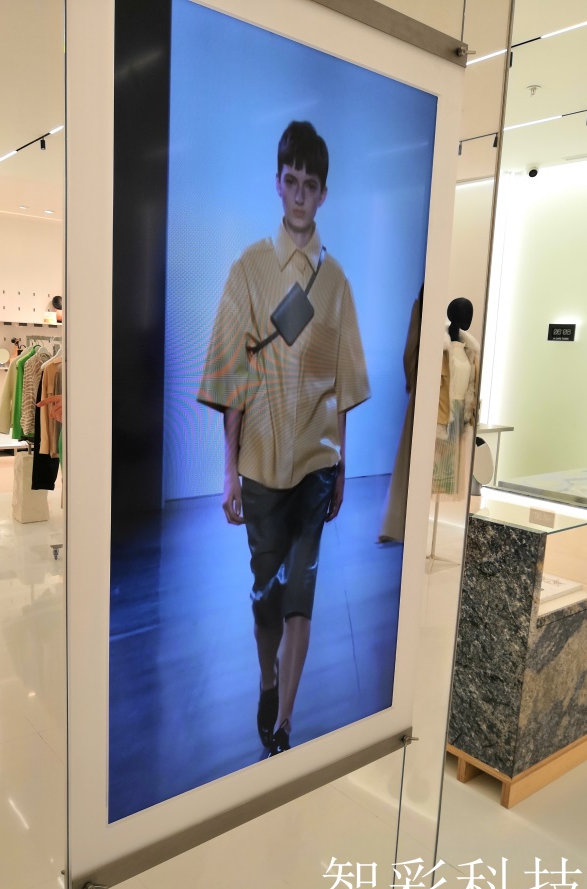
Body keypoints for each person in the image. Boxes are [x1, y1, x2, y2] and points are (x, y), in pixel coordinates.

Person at [197, 121, 370, 756]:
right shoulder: (247, 269)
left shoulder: (338, 283)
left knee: (302, 592)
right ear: (278, 183)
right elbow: (230, 375)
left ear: (323, 193)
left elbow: (343, 381)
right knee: (265, 598)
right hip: (260, 464)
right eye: (291, 181)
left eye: (310, 184)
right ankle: (268, 680)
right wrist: (227, 471)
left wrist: (342, 466)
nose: (299, 195)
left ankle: (287, 720)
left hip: (316, 464)